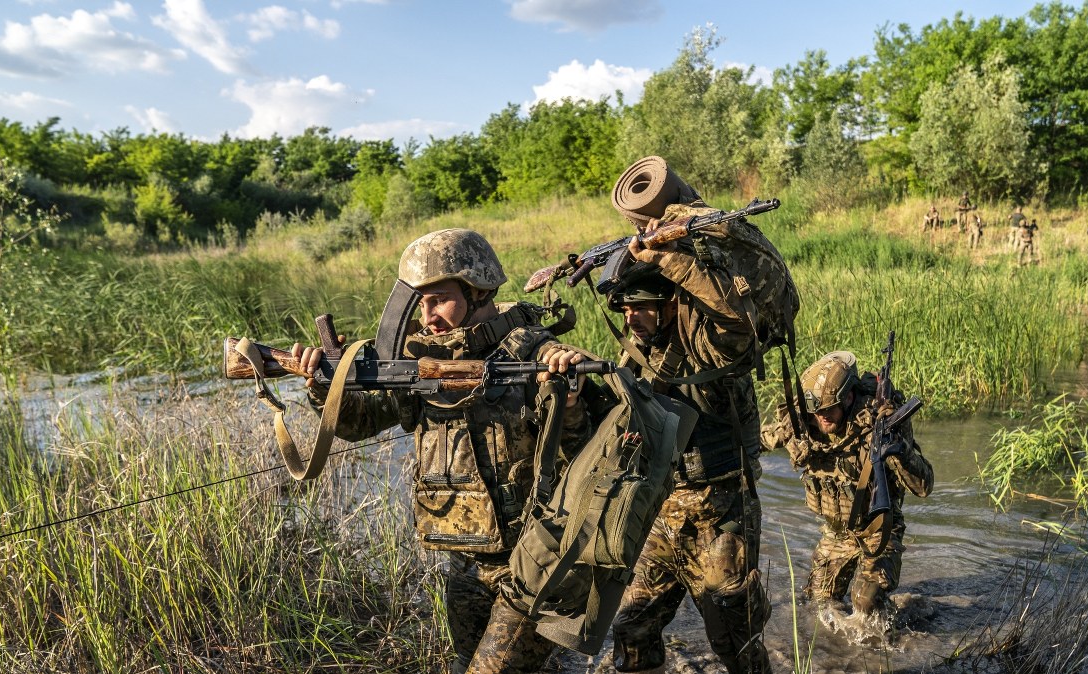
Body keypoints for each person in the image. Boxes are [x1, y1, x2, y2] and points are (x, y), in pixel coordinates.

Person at [291, 228, 598, 674]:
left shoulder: (535, 353)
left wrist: (568, 400)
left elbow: (585, 452)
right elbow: (358, 424)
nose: (427, 314)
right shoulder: (418, 360)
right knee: (465, 664)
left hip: (536, 557)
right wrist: (323, 386)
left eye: (439, 299)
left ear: (478, 292)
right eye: (420, 301)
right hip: (465, 557)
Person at [606, 162, 772, 674]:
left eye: (642, 307)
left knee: (734, 639)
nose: (631, 318)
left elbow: (734, 319)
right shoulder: (639, 353)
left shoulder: (711, 349)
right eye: (625, 309)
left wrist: (676, 264)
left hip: (721, 507)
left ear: (672, 305)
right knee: (632, 625)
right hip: (662, 507)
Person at [760, 351, 933, 629]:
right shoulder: (804, 422)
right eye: (816, 411)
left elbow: (924, 486)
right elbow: (763, 439)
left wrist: (898, 450)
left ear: (849, 397)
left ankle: (910, 621)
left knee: (865, 604)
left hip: (878, 530)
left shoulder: (881, 424)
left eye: (828, 410)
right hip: (836, 533)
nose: (821, 418)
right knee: (818, 604)